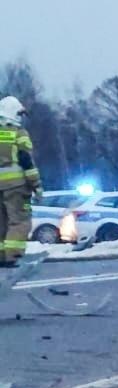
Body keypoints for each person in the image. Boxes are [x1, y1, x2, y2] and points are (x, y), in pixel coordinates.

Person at [0, 96, 42, 268]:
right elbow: (27, 161)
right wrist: (37, 185)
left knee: (1, 221)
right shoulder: (19, 134)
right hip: (16, 186)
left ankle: (2, 256)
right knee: (19, 221)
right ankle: (12, 255)